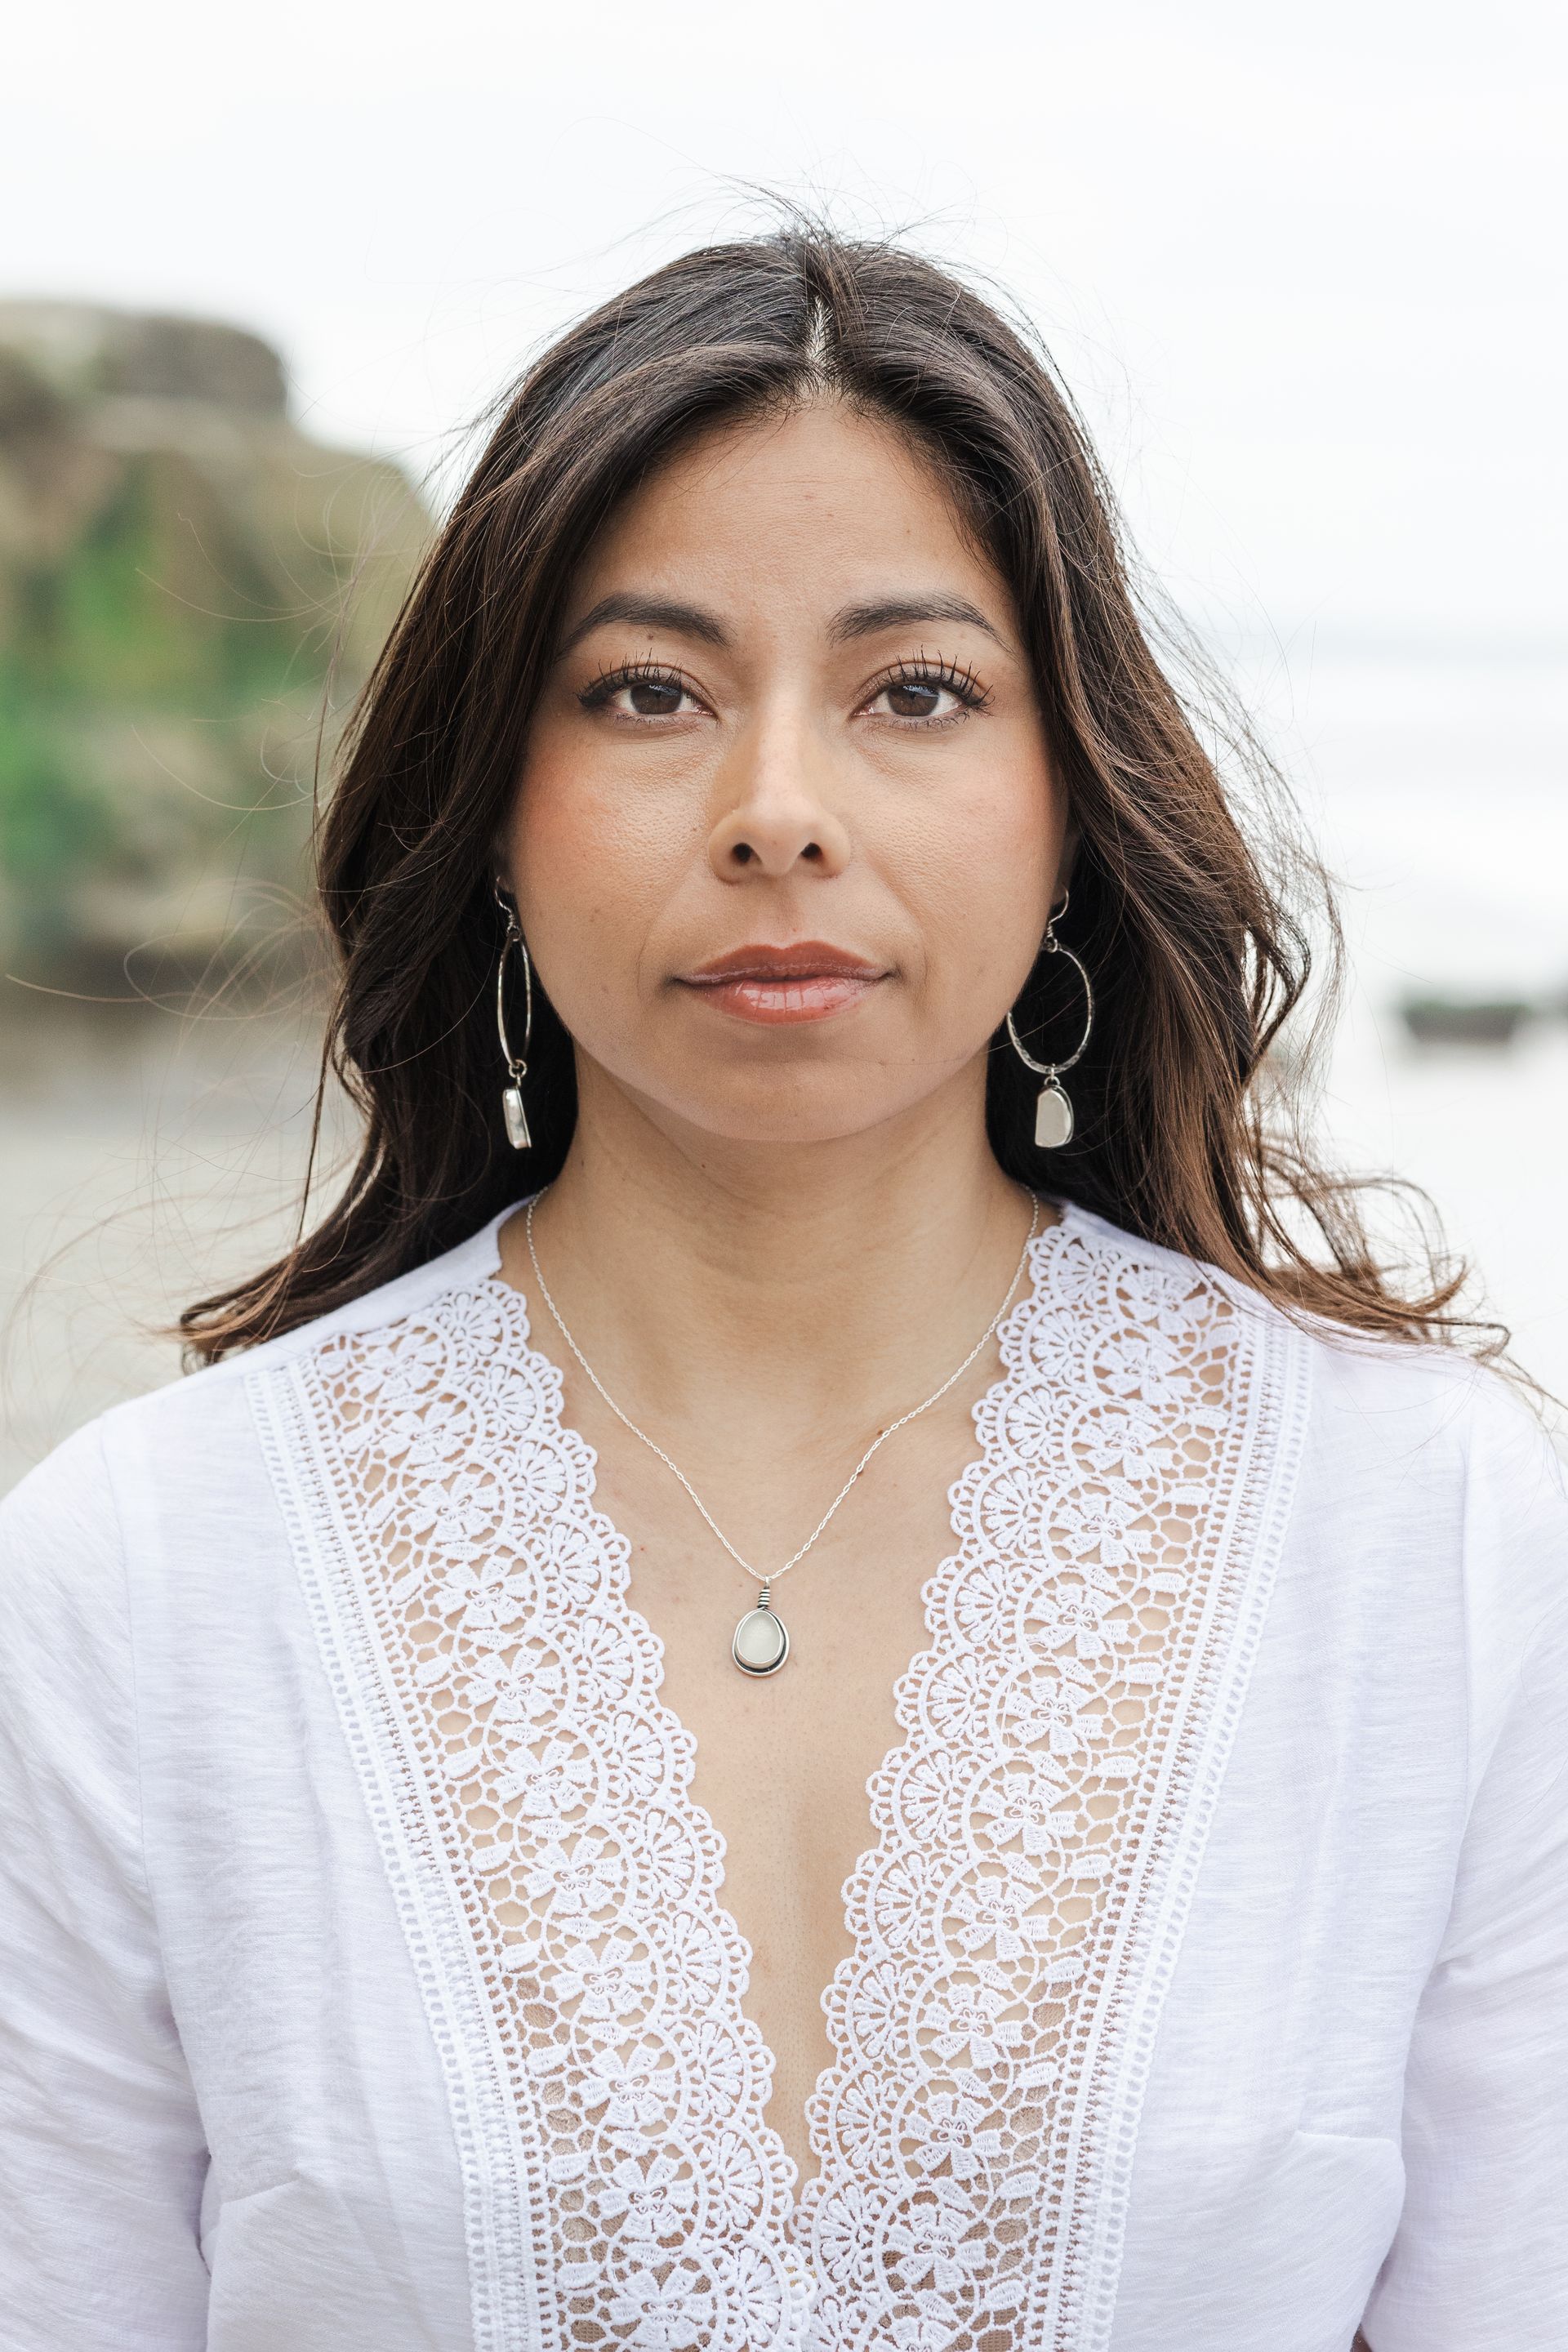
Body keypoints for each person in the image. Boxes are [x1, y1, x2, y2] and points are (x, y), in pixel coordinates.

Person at [1, 226, 1562, 2352]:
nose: (778, 816)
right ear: (491, 810)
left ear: (1068, 795)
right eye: (648, 691)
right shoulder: (137, 1579)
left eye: (915, 689)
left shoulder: (1440, 1540)